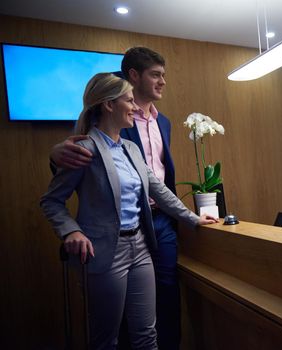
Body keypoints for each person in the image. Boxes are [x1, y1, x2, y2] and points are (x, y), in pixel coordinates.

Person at [41, 73, 218, 349]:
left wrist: (193, 218)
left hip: (141, 247)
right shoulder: (84, 149)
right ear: (109, 105)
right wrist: (71, 231)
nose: (136, 107)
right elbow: (51, 201)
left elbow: (159, 192)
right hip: (106, 252)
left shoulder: (131, 148)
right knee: (106, 340)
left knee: (147, 334)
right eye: (129, 100)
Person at [50, 47, 183, 349]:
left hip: (158, 222)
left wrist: (188, 217)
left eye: (164, 75)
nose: (163, 82)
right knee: (117, 316)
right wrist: (55, 154)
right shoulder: (116, 118)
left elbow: (159, 179)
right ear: (133, 76)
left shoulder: (165, 123)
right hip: (117, 230)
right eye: (156, 75)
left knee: (166, 294)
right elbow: (80, 154)